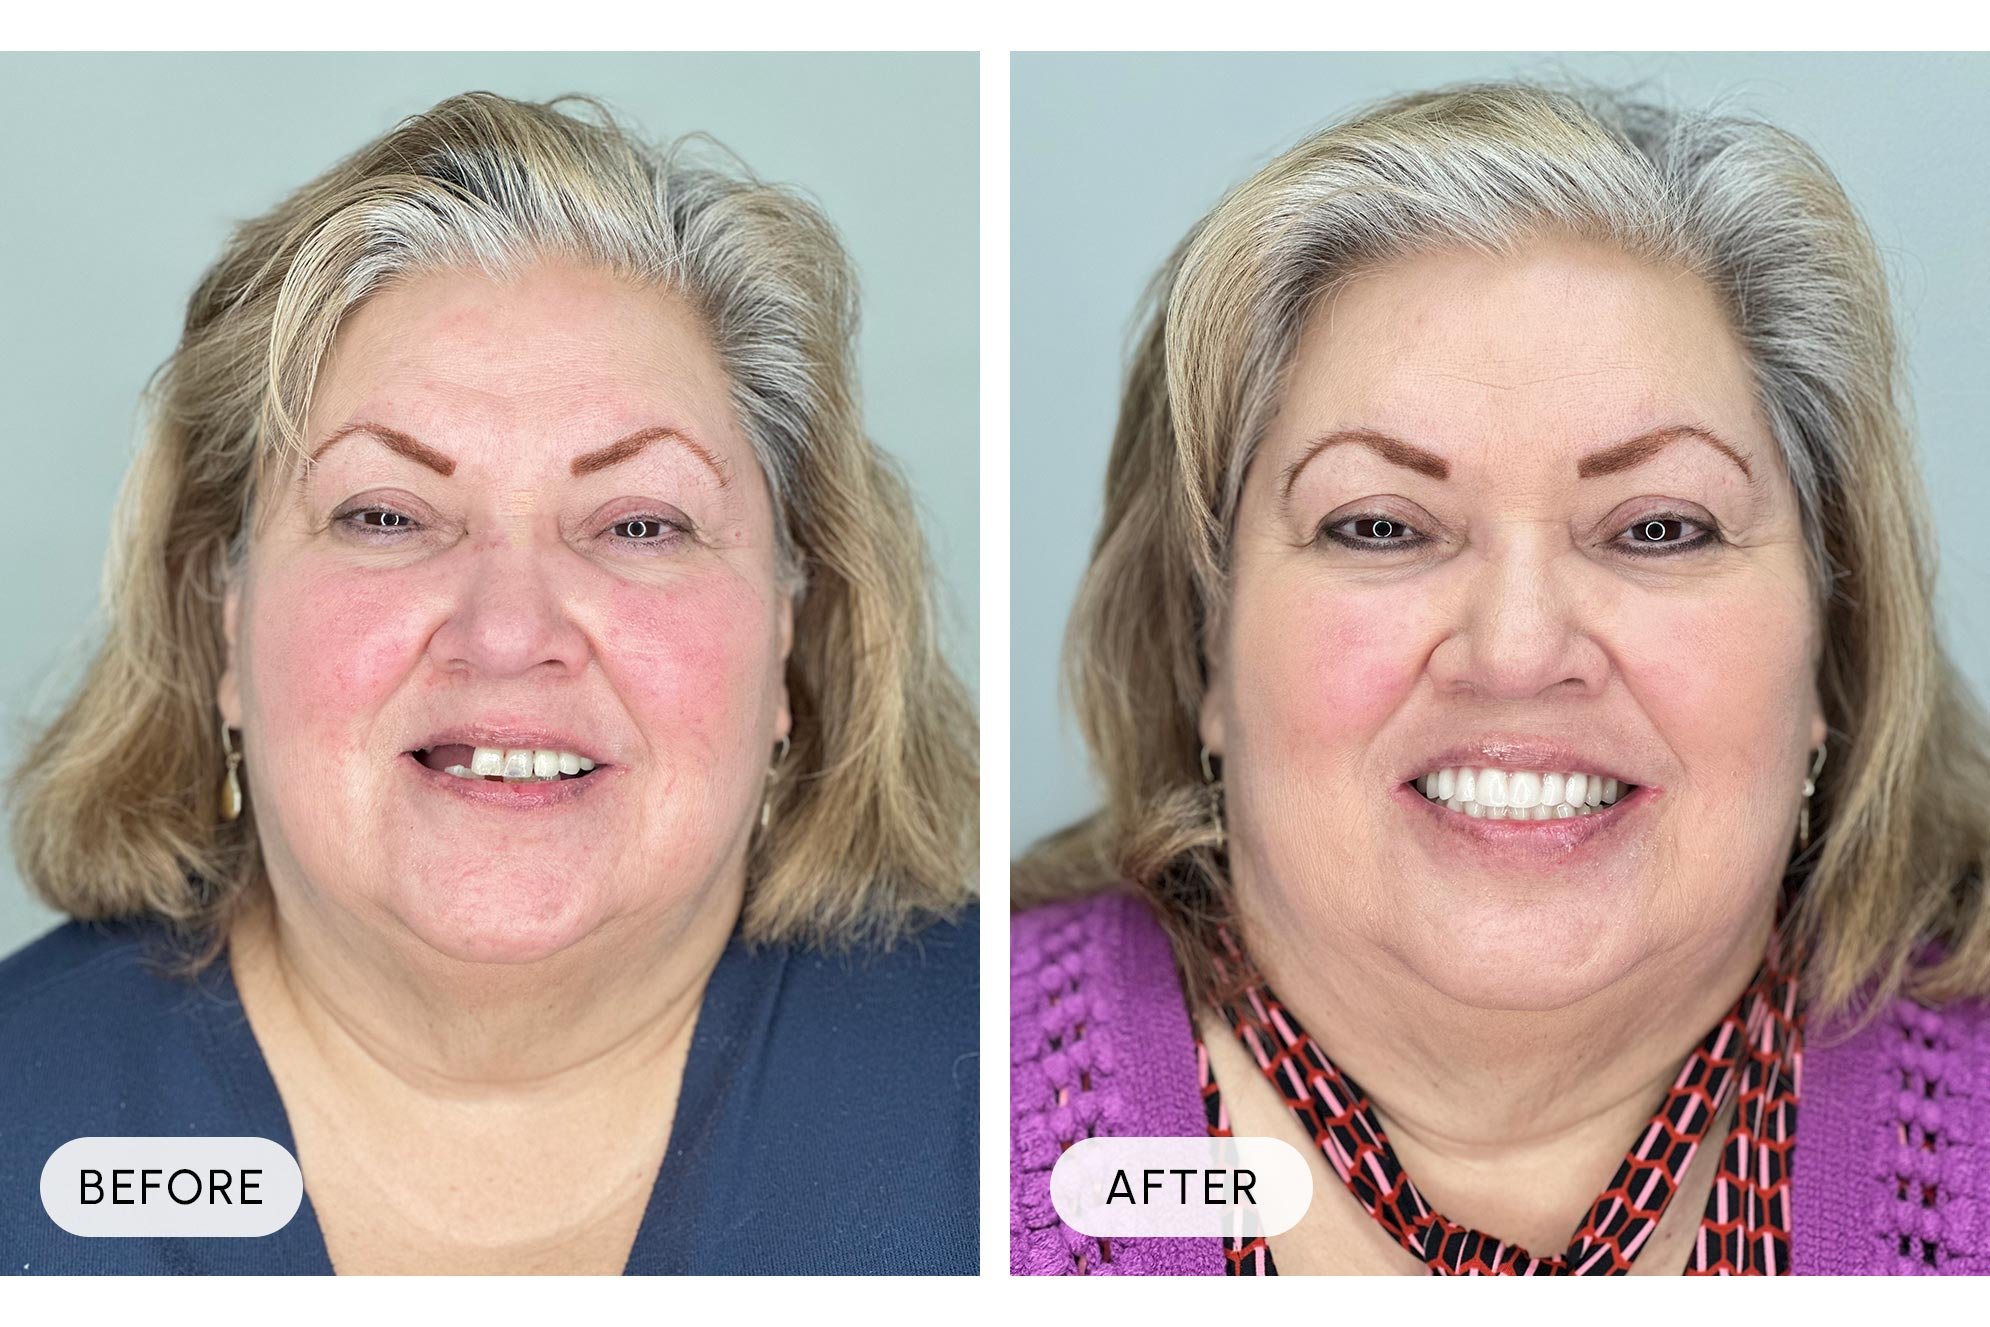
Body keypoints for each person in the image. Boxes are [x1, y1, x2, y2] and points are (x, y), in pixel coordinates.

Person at [1012, 81, 1990, 1276]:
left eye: (1659, 528)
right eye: (1379, 527)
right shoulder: (949, 1095)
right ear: (1203, 647)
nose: (1518, 652)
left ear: (1833, 644)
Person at [1, 91, 978, 1275]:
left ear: (792, 630)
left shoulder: (1024, 1100)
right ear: (224, 617)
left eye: (638, 526)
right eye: (385, 514)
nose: (508, 632)